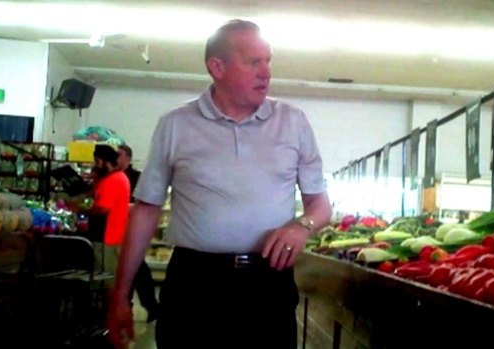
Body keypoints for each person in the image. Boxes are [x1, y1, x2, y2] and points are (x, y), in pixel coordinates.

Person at [106, 19, 332, 349]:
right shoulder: (176, 125)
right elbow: (146, 211)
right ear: (217, 67)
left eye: (268, 60)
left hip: (268, 285)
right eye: (254, 62)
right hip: (194, 284)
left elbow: (321, 204)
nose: (266, 71)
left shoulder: (293, 123)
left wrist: (302, 226)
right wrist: (120, 296)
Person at [117, 144, 159, 323]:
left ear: (128, 157)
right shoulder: (112, 176)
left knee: (137, 269)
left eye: (119, 155)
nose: (116, 158)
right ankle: (134, 306)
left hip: (130, 229)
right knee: (133, 269)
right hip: (117, 229)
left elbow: (142, 205)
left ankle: (151, 307)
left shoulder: (136, 177)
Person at [86, 144, 131, 274]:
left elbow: (102, 209)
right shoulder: (111, 178)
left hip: (107, 236)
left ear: (106, 162)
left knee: (104, 276)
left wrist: (79, 210)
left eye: (97, 161)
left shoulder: (113, 180)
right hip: (108, 235)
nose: (96, 165)